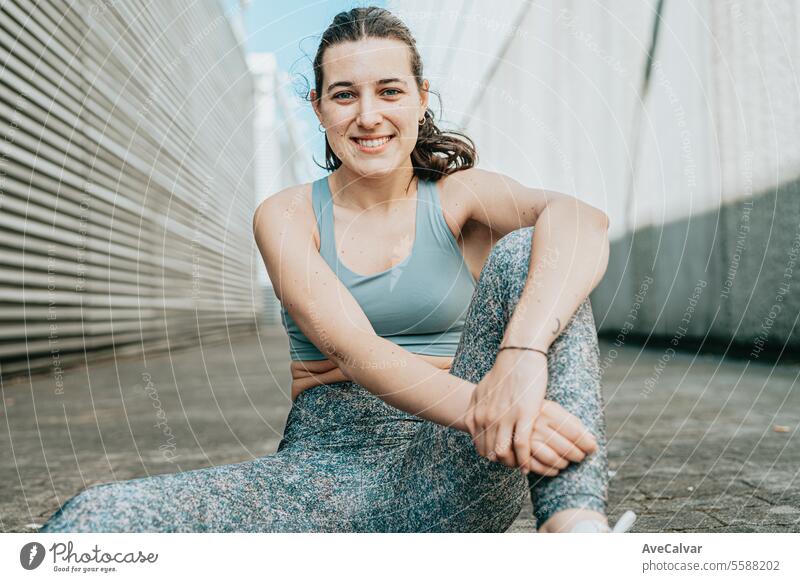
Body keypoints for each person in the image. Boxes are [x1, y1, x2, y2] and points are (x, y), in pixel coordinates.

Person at [38, 6, 635, 533]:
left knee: (535, 250)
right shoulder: (288, 214)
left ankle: (574, 526)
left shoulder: (463, 196)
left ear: (422, 97)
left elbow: (584, 222)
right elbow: (355, 352)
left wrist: (519, 362)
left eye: (390, 91)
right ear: (318, 106)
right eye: (345, 94)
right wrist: (493, 406)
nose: (368, 115)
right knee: (95, 519)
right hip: (323, 476)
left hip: (465, 463)